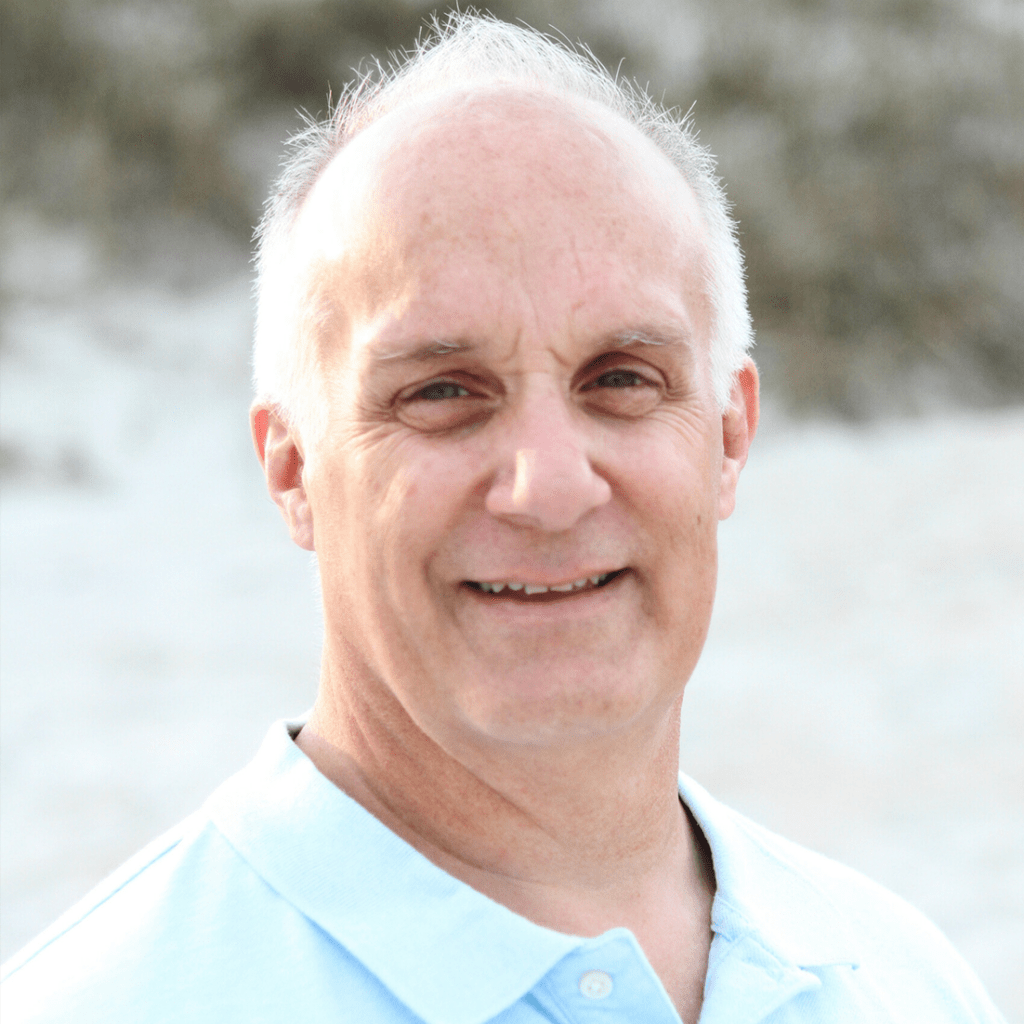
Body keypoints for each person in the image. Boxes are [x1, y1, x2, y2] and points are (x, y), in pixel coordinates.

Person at [0, 14, 1006, 1024]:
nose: (550, 486)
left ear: (729, 436)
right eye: (443, 392)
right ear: (293, 468)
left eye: (621, 378)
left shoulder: (904, 982)